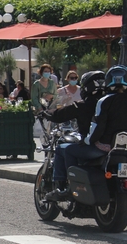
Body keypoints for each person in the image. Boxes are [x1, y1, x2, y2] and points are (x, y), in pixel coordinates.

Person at [42, 70, 106, 201]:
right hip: (113, 147)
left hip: (94, 147)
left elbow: (60, 115)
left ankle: (63, 188)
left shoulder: (83, 106)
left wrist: (46, 113)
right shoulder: (110, 104)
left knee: (62, 149)